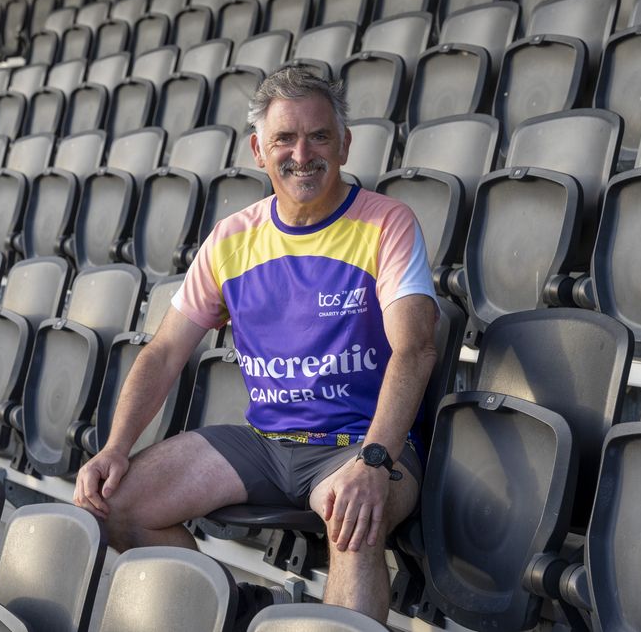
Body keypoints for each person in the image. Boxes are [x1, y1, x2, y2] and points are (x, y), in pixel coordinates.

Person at [73, 66, 438, 624]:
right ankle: (237, 612)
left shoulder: (388, 223)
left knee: (353, 518)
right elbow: (166, 351)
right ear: (258, 150)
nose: (302, 153)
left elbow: (415, 350)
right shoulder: (231, 237)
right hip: (265, 441)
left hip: (362, 442)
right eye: (284, 139)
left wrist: (373, 460)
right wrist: (115, 447)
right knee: (114, 504)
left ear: (344, 143)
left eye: (319, 136)